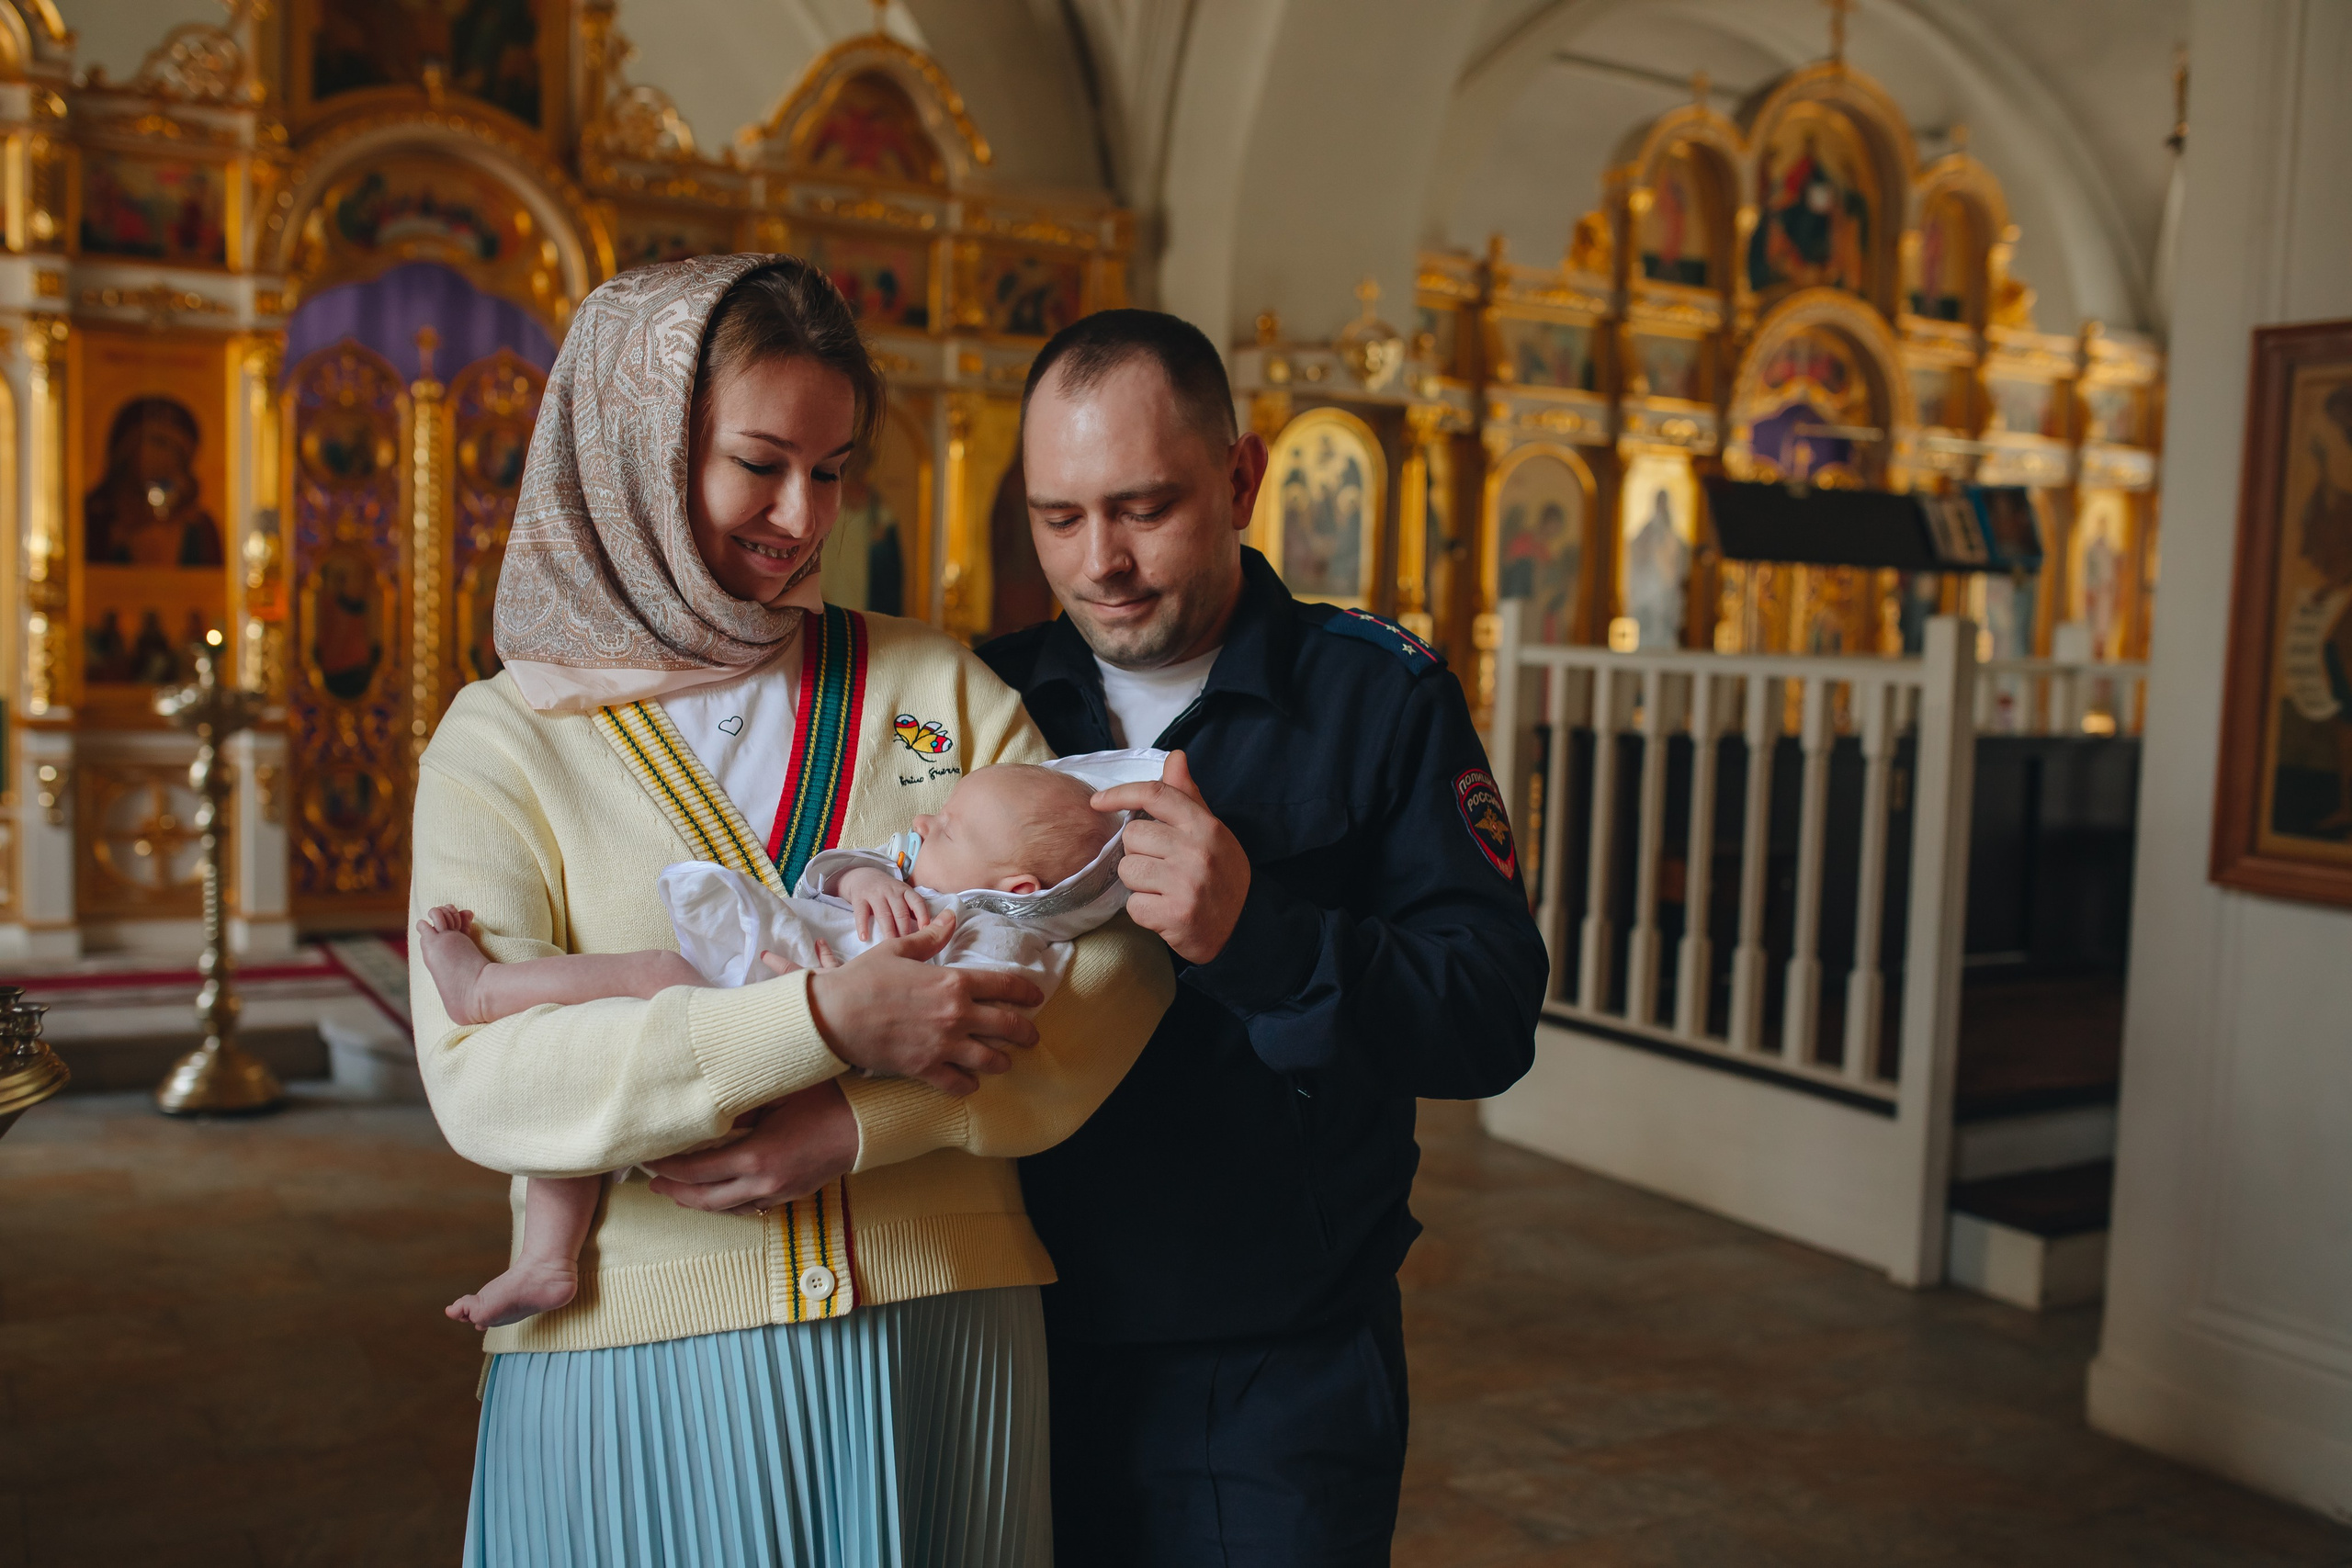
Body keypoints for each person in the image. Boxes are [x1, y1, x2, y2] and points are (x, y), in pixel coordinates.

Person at [410, 254, 1173, 1568]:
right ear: (635, 449)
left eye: (830, 469)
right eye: (758, 461)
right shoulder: (503, 738)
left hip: (942, 1329)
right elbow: (488, 1072)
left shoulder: (933, 682)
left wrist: (860, 1120)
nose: (800, 513)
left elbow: (1109, 964)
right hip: (631, 1348)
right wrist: (815, 1016)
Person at [982, 309, 1550, 1566]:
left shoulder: (1378, 697)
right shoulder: (980, 699)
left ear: (1241, 480)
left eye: (1143, 507)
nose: (1100, 563)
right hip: (1009, 1325)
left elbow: (1492, 1010)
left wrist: (1265, 934)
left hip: (1270, 1365)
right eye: (1058, 516)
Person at [418, 757, 1142, 1329]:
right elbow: (853, 862)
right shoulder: (922, 874)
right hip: (771, 1029)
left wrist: (820, 1023)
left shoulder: (1002, 944)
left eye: (948, 829)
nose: (924, 821)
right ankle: (548, 1258)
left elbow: (966, 1034)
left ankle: (484, 991)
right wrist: (862, 875)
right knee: (588, 1076)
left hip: (796, 1059)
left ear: (1015, 886)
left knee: (654, 976)